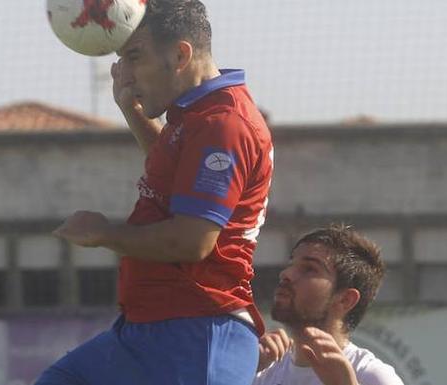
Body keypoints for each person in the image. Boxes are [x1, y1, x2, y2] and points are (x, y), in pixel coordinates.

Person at [35, 1, 274, 384]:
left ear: (181, 55)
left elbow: (192, 241)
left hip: (199, 330)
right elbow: (177, 173)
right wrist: (133, 112)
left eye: (134, 57)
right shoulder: (197, 113)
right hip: (148, 328)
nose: (123, 73)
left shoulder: (224, 124)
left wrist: (104, 234)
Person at [254, 224, 405, 385]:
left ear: (345, 299)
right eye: (291, 265)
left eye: (309, 269)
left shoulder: (370, 376)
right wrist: (239, 371)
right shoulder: (261, 369)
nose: (286, 274)